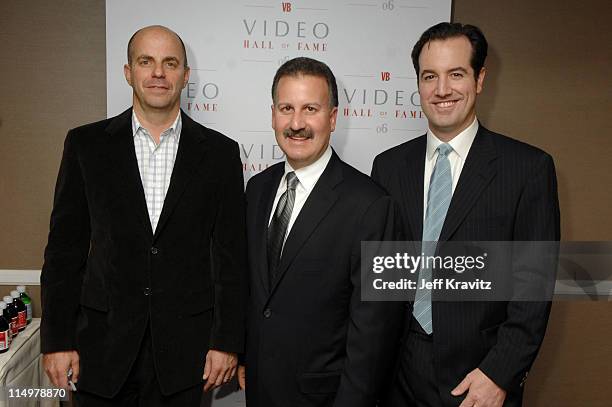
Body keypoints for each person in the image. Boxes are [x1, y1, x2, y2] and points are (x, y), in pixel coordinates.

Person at [40, 25, 247, 406]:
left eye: (170, 63)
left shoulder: (220, 154)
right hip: (98, 353)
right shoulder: (86, 145)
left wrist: (227, 342)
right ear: (128, 72)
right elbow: (63, 253)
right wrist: (57, 340)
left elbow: (231, 260)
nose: (158, 73)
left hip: (186, 358)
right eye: (146, 61)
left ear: (185, 76)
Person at [372, 23, 560, 407]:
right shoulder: (388, 167)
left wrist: (499, 374)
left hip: (479, 380)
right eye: (430, 76)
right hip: (395, 377)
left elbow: (534, 287)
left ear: (479, 79)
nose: (442, 90)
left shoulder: (527, 169)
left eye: (456, 74)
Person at [238, 57, 403, 407]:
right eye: (286, 108)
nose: (296, 123)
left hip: (325, 398)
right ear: (272, 115)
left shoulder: (373, 204)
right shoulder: (256, 189)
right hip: (260, 389)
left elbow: (375, 332)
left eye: (310, 109)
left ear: (332, 118)